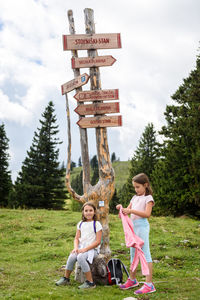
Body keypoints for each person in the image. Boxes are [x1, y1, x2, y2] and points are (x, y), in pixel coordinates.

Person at [116, 173, 156, 295]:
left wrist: (131, 210)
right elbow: (127, 211)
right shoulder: (134, 198)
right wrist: (121, 209)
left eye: (138, 187)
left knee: (144, 254)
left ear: (146, 185)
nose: (136, 189)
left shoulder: (148, 199)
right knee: (133, 254)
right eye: (134, 187)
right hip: (133, 228)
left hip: (142, 227)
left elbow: (147, 214)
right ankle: (132, 280)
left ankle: (149, 284)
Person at [56, 202, 102, 289]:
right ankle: (66, 278)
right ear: (83, 212)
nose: (88, 212)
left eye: (90, 210)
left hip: (93, 249)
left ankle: (90, 283)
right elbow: (76, 238)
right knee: (72, 256)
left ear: (94, 212)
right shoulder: (80, 223)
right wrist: (76, 248)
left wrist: (85, 249)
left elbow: (98, 242)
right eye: (86, 211)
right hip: (81, 248)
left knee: (80, 257)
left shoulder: (96, 224)